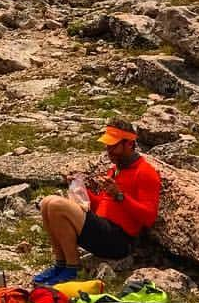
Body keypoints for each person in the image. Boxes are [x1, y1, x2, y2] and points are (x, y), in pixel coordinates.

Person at [32, 116, 161, 284]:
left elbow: (149, 217)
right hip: (103, 229)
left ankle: (72, 267)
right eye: (107, 146)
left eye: (114, 146)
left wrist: (120, 196)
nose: (109, 151)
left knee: (56, 203)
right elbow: (103, 205)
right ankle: (60, 264)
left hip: (119, 240)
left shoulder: (145, 172)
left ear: (129, 144)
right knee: (47, 203)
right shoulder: (115, 169)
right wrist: (82, 189)